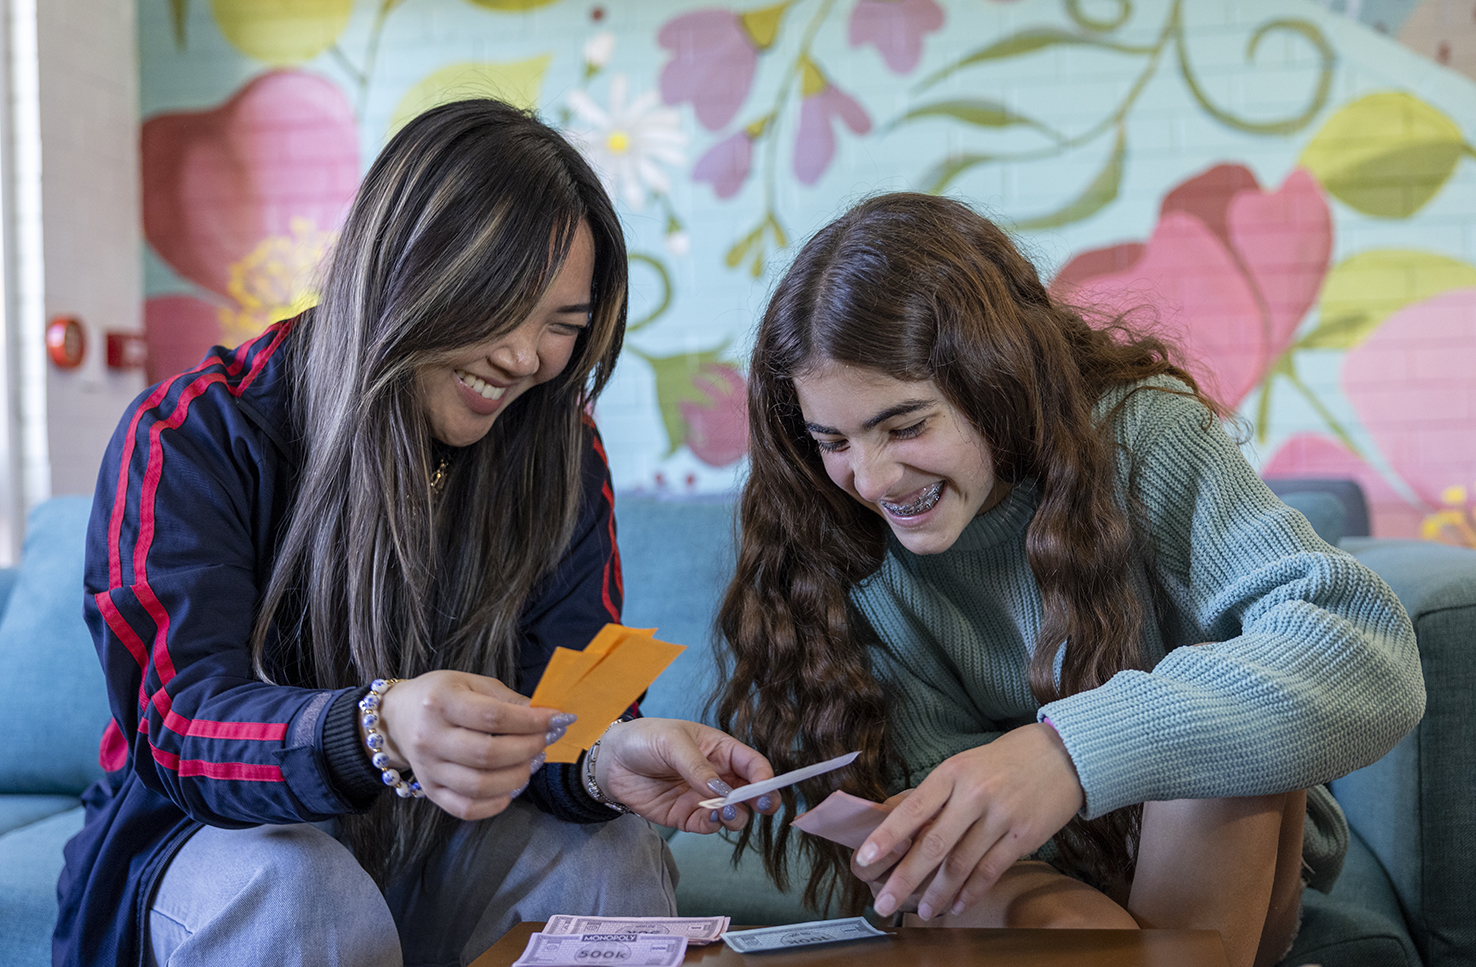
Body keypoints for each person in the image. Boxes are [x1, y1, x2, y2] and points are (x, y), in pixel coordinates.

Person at [56, 99, 776, 967]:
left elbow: (572, 694)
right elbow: (179, 725)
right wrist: (374, 728)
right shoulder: (192, 434)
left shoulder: (557, 446)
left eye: (563, 326)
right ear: (400, 264)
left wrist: (604, 755)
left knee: (613, 849)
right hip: (220, 848)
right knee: (301, 888)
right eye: (500, 302)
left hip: (444, 850)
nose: (524, 357)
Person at [714, 192, 1425, 967]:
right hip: (1026, 876)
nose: (873, 477)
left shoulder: (1144, 438)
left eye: (907, 425)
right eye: (833, 440)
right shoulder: (847, 540)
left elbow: (1372, 652)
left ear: (994, 377)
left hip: (1218, 846)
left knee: (1218, 732)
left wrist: (1067, 754)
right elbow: (947, 831)